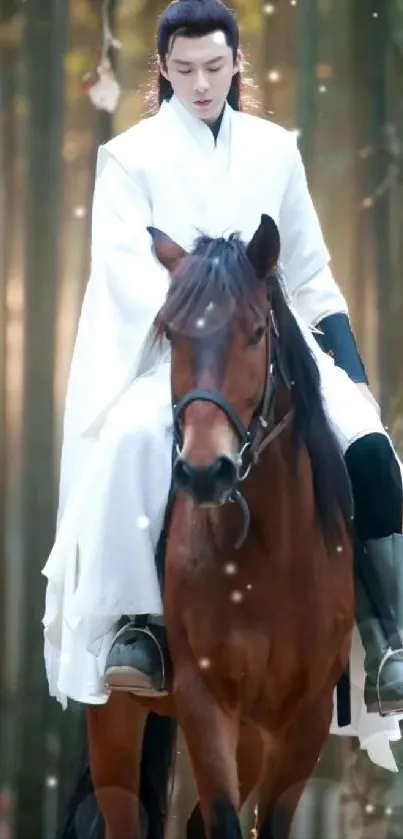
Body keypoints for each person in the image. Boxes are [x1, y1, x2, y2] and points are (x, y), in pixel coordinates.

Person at [43, 0, 403, 768]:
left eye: (214, 67)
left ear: (236, 63)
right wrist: (199, 319)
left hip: (280, 351)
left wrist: (355, 374)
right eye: (184, 69)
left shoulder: (275, 151)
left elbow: (309, 272)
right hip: (178, 355)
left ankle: (385, 634)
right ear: (163, 71)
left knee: (370, 447)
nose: (201, 83)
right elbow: (123, 272)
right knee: (133, 446)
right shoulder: (130, 159)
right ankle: (137, 625)